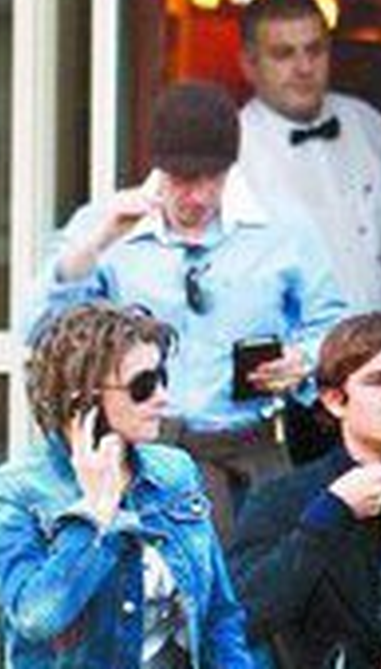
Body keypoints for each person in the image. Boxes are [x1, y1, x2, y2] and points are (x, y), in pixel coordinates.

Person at [28, 80, 348, 539]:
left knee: (258, 580)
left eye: (210, 179)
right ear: (157, 168)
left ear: (231, 168)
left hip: (253, 454)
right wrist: (98, 242)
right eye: (181, 180)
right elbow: (40, 332)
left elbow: (332, 326)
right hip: (140, 454)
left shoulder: (284, 229)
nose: (196, 196)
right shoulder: (106, 226)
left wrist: (303, 360)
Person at [0, 302, 253, 667]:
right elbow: (37, 618)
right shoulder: (14, 491)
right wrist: (95, 514)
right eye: (143, 386)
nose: (162, 397)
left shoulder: (175, 472)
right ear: (84, 400)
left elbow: (219, 615)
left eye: (162, 378)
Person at [228, 312, 381, 668]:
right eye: (378, 381)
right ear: (334, 400)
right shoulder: (281, 499)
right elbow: (241, 618)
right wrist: (329, 513)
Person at [237, 0, 381, 331]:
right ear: (249, 64)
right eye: (283, 54)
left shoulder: (370, 126)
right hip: (293, 359)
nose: (304, 67)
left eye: (315, 50)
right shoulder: (232, 152)